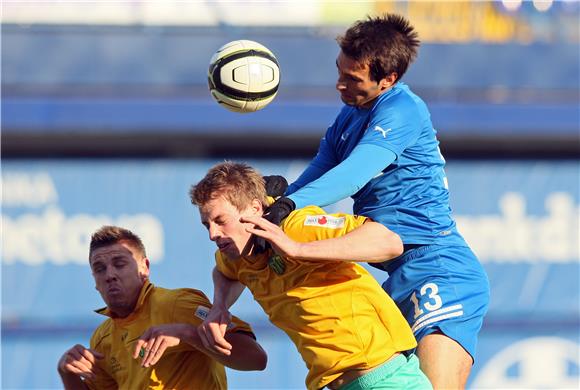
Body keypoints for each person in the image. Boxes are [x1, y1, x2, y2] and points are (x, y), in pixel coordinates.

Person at [261, 13, 490, 389]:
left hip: (440, 271)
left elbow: (353, 174)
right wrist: (279, 199)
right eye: (339, 71)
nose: (339, 84)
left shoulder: (403, 109)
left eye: (352, 78)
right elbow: (320, 170)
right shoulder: (348, 116)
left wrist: (288, 206)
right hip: (394, 278)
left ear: (389, 79)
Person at [190, 161, 432, 390]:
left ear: (254, 209)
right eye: (206, 224)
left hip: (386, 379)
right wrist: (219, 306)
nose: (213, 233)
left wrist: (297, 249)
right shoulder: (234, 254)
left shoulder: (296, 227)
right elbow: (224, 273)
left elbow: (389, 242)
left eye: (220, 221)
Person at [57, 225, 267, 390]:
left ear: (144, 268)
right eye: (99, 269)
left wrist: (187, 333)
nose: (110, 275)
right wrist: (67, 373)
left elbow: (256, 358)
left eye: (120, 264)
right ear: (94, 281)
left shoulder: (176, 304)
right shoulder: (102, 339)